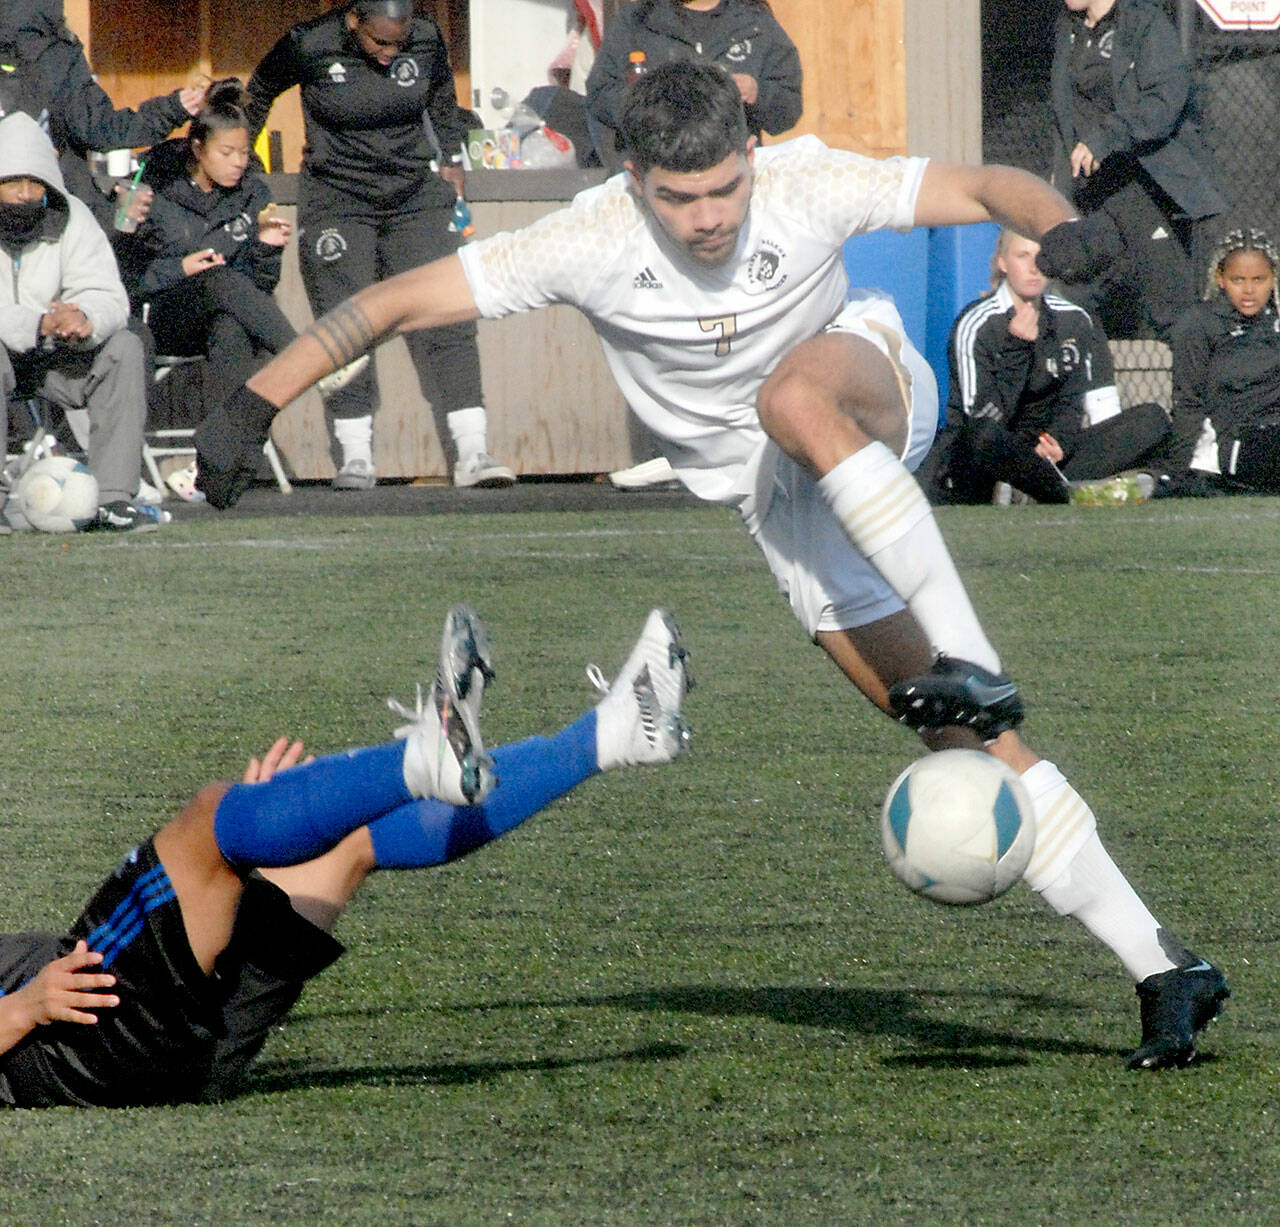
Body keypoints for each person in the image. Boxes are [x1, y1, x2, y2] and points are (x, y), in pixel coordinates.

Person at [192, 62, 1229, 1069]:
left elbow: (976, 184)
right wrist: (253, 403)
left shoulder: (802, 181)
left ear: (750, 154)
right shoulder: (588, 237)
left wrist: (1056, 224)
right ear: (633, 180)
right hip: (784, 512)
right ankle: (1160, 965)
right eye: (680, 197)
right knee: (969, 739)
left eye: (725, 185)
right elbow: (391, 304)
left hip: (861, 393)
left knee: (793, 402)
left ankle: (965, 646)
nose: (710, 216)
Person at [0, 604, 692, 1107]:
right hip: (81, 1035)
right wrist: (25, 1009)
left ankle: (612, 734)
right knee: (209, 824)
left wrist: (268, 822)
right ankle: (420, 760)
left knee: (343, 846)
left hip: (185, 1056)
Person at [243, 0, 515, 491]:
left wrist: (452, 158)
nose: (390, 52)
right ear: (354, 22)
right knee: (346, 323)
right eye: (379, 42)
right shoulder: (310, 42)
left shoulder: (427, 37)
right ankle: (356, 456)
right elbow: (257, 93)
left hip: (414, 195)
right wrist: (248, 170)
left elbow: (442, 103)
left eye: (399, 43)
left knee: (450, 314)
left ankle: (473, 452)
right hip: (337, 198)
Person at [928, 227, 1169, 505]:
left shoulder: (1073, 320)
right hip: (993, 453)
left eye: (1041, 258)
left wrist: (1059, 442)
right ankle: (1061, 492)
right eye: (1023, 256)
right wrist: (1017, 348)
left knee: (1152, 419)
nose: (1034, 268)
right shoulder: (977, 324)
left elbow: (1071, 401)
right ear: (1002, 263)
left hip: (1043, 453)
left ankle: (1032, 490)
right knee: (981, 436)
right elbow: (980, 413)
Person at [0, 111, 159, 532]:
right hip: (6, 351)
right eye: (13, 183)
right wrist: (38, 324)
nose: (25, 194)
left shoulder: (72, 217)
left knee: (124, 348)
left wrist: (84, 318)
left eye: (35, 184)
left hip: (58, 356)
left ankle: (111, 498)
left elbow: (106, 292)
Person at [1049, 0, 1227, 341]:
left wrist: (1105, 138)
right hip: (1092, 195)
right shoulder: (1067, 29)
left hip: (1142, 185)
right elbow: (1064, 115)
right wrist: (1058, 177)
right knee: (1075, 301)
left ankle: (1202, 392)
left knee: (1172, 311)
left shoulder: (1143, 22)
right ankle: (1088, 392)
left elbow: (1164, 100)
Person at [585, 0, 801, 170]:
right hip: (656, 173)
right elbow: (599, 96)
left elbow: (788, 111)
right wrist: (654, 101)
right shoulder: (636, 21)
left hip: (731, 178)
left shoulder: (755, 22)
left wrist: (758, 93)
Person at [1151, 228, 1280, 496]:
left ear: (1273, 279)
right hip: (1236, 439)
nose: (1249, 290)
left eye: (1259, 279)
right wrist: (1179, 470)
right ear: (1220, 279)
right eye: (1238, 279)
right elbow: (1188, 401)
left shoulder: (1275, 322)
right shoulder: (1199, 325)